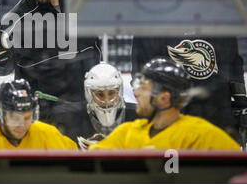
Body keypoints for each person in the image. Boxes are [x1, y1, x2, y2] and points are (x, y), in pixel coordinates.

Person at [0, 0, 99, 140]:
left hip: (81, 112)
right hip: (40, 117)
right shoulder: (13, 20)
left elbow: (95, 56)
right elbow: (1, 70)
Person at [90, 58, 240, 150]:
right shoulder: (127, 132)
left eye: (143, 88)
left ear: (163, 98)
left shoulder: (200, 135)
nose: (135, 93)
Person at [131, 36, 247, 144]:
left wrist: (240, 100)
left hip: (216, 115)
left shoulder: (220, 21)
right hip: (170, 119)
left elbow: (233, 65)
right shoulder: (152, 26)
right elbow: (142, 74)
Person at [0, 79, 78, 150]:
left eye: (27, 117)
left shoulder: (48, 134)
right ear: (0, 112)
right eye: (15, 118)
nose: (22, 125)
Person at [77, 62, 137, 150]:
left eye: (112, 93)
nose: (106, 100)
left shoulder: (138, 115)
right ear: (89, 94)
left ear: (120, 91)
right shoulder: (75, 119)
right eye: (99, 94)